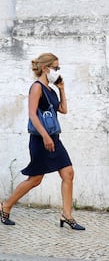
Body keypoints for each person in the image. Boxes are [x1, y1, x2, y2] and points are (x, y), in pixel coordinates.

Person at [0, 53, 85, 230]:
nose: (58, 71)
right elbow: (32, 113)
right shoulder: (36, 87)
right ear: (45, 68)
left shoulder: (51, 89)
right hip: (41, 140)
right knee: (35, 179)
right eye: (56, 68)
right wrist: (45, 136)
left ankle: (67, 215)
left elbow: (63, 109)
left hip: (54, 138)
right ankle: (6, 206)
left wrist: (61, 88)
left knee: (68, 173)